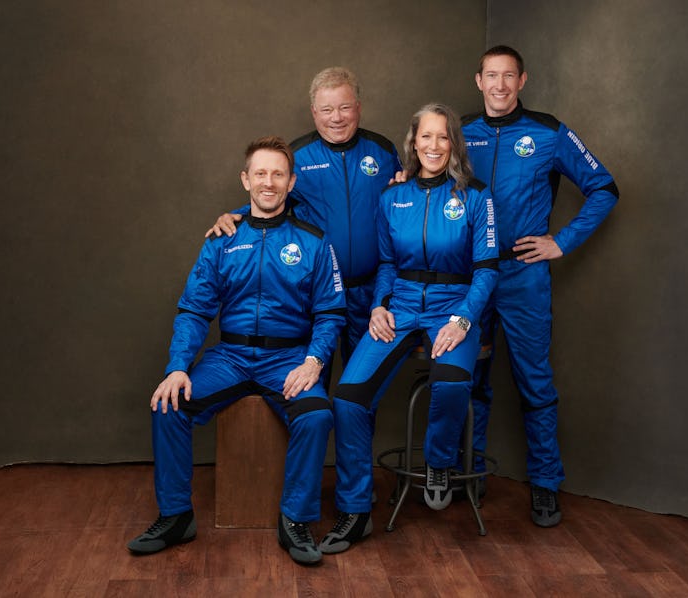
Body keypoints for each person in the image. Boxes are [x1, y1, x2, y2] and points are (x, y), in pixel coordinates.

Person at [126, 136, 346, 565]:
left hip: (288, 358)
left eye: (278, 174)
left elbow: (331, 314)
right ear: (246, 180)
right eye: (260, 173)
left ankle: (295, 522)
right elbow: (193, 310)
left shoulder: (315, 242)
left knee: (318, 415)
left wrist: (313, 361)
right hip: (230, 357)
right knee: (168, 406)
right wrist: (177, 367)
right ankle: (175, 517)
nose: (269, 182)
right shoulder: (222, 238)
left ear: (291, 181)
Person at [318, 103, 500, 554]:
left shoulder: (476, 196)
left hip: (452, 305)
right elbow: (386, 262)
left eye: (443, 137)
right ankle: (356, 511)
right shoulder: (391, 197)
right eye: (426, 137)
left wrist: (462, 319)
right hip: (399, 306)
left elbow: (488, 270)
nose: (434, 146)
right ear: (413, 144)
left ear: (453, 144)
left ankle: (440, 462)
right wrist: (379, 305)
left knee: (454, 383)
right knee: (348, 397)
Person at [462, 45, 619, 527]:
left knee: (534, 381)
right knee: (470, 378)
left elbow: (604, 187)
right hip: (471, 277)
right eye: (492, 76)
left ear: (523, 82)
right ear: (479, 80)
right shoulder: (460, 133)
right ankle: (469, 472)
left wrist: (562, 241)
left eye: (510, 76)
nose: (500, 85)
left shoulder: (548, 132)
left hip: (523, 276)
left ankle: (546, 484)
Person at [207, 67, 401, 366]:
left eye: (344, 107)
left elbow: (405, 200)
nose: (336, 117)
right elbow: (270, 196)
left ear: (358, 108)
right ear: (314, 112)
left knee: (359, 394)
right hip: (314, 295)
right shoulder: (298, 156)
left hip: (369, 291)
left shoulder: (383, 151)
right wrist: (234, 216)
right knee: (310, 384)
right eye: (327, 109)